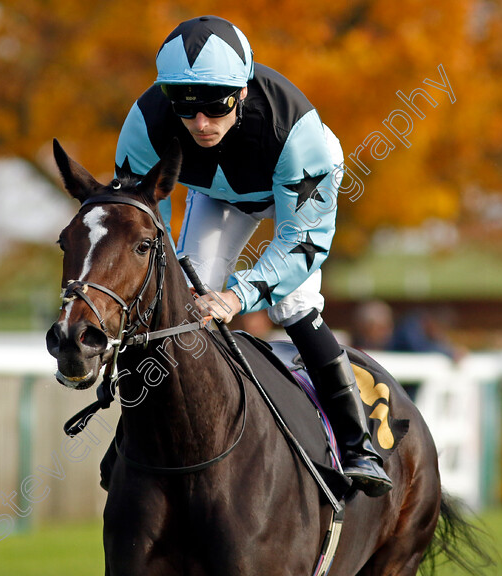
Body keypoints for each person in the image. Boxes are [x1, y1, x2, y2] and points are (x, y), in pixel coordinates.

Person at [114, 15, 391, 496]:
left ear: (241, 93)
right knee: (182, 299)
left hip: (294, 190)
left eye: (216, 107)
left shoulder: (295, 128)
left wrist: (238, 298)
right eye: (186, 107)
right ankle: (127, 437)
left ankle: (357, 444)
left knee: (294, 306)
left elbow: (303, 245)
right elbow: (132, 217)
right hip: (218, 194)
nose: (201, 124)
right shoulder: (145, 123)